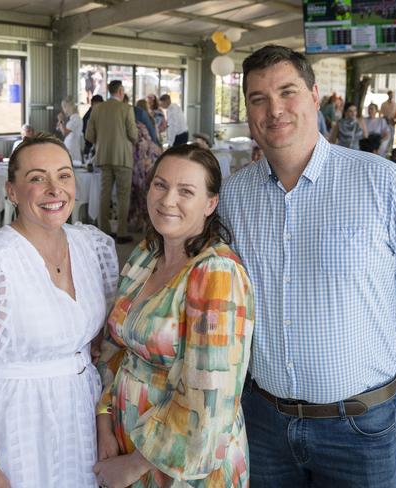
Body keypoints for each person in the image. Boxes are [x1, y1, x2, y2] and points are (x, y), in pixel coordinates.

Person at [219, 44, 396, 487]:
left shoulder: (383, 183)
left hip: (359, 427)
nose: (274, 110)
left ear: (315, 96)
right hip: (263, 423)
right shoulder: (233, 197)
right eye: (258, 98)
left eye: (287, 92)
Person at [0, 133, 119, 488]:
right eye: (37, 178)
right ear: (12, 191)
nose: (55, 189)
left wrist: (103, 418)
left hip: (79, 414)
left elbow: (100, 345)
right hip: (18, 421)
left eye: (64, 175)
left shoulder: (92, 247)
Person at [93, 143, 254, 488]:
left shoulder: (216, 274)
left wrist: (134, 465)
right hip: (125, 435)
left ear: (210, 204)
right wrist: (104, 419)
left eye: (186, 191)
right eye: (160, 185)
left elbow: (211, 399)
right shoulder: (145, 256)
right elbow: (115, 348)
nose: (167, 200)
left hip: (184, 461)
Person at [85, 80, 138, 244]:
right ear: (120, 91)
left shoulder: (97, 109)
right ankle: (121, 232)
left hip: (103, 157)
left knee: (104, 194)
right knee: (123, 195)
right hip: (122, 157)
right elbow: (133, 134)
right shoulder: (126, 109)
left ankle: (104, 230)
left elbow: (89, 135)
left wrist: (101, 143)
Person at [129, 99, 162, 231]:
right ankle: (146, 224)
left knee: (136, 194)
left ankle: (137, 222)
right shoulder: (148, 123)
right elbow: (153, 141)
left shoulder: (134, 126)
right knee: (144, 193)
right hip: (147, 163)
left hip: (136, 164)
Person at [57, 97, 84, 162]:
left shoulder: (76, 119)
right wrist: (60, 123)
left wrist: (60, 120)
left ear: (67, 107)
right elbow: (60, 129)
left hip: (73, 150)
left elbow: (65, 132)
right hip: (70, 148)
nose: (63, 110)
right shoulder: (73, 119)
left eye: (64, 107)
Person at [83, 94, 104, 159]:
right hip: (90, 147)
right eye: (97, 105)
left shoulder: (96, 115)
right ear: (92, 104)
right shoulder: (89, 116)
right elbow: (87, 134)